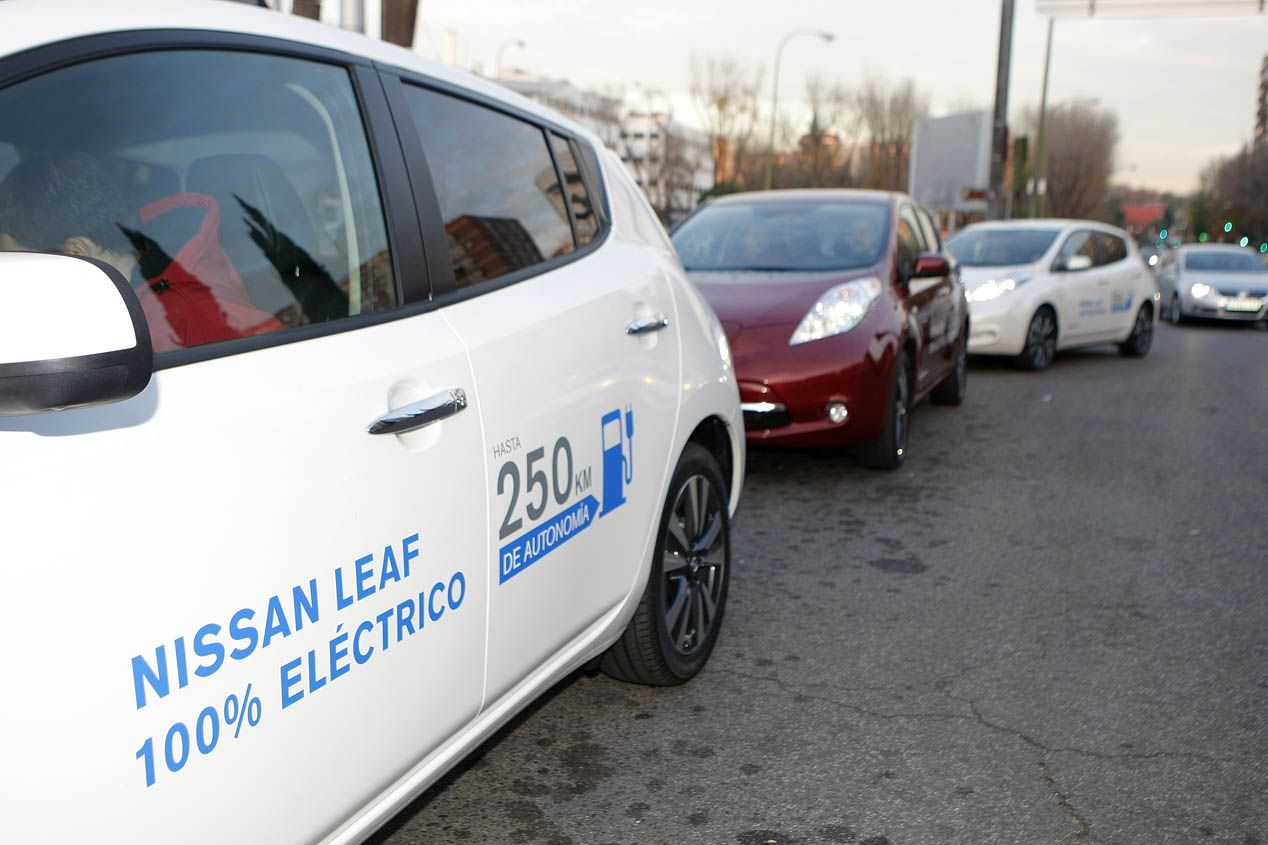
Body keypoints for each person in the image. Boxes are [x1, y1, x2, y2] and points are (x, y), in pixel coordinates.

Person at [0, 151, 283, 352]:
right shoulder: (135, 299)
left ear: (75, 251)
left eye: (24, 267)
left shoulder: (186, 322)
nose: (18, 286)